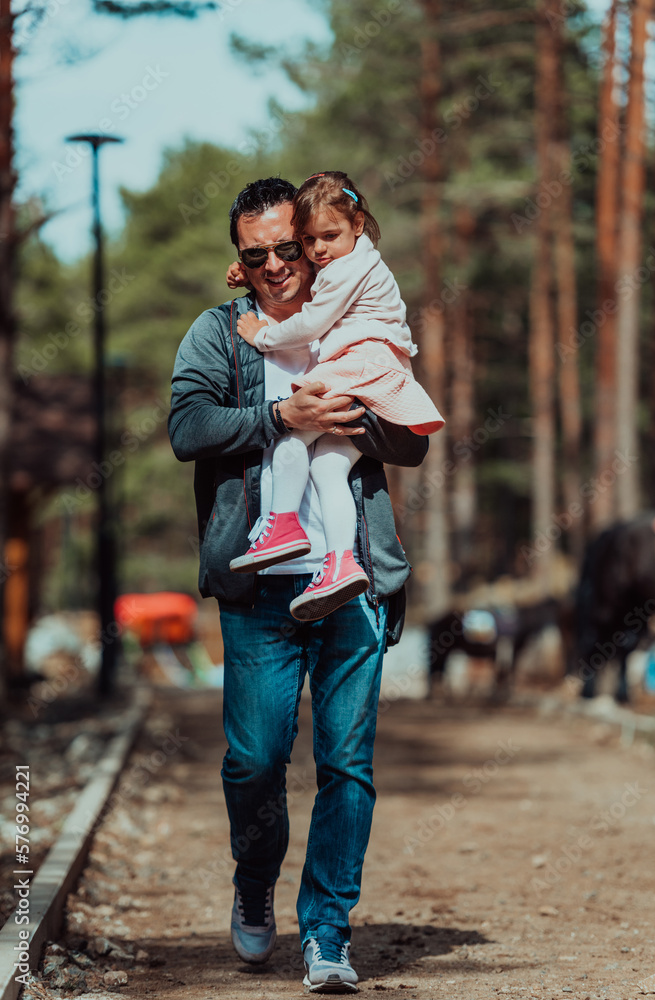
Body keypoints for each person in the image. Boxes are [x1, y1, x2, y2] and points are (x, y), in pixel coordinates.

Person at [168, 177, 429, 994]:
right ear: (238, 262)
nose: (278, 264)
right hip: (259, 591)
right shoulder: (220, 334)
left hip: (352, 585)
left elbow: (412, 443)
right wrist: (282, 418)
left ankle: (326, 931)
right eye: (258, 256)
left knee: (345, 766)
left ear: (316, 244)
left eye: (290, 247)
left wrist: (350, 416)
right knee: (254, 762)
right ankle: (254, 882)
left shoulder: (355, 317)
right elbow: (187, 428)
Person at [227, 171, 443, 624]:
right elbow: (292, 283)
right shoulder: (354, 260)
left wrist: (262, 335)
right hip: (372, 370)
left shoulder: (347, 269)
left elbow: (310, 321)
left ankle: (282, 526)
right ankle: (341, 563)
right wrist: (246, 276)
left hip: (358, 367)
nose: (318, 250)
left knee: (291, 437)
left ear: (358, 224)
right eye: (308, 240)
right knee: (328, 467)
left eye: (327, 237)